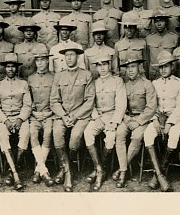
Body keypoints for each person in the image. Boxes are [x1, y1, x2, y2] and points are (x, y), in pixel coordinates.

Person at [49, 45, 95, 192]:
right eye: (66, 55)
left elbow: (89, 100)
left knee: (75, 136)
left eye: (72, 55)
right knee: (56, 134)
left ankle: (66, 169)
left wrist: (75, 116)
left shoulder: (86, 75)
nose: (69, 58)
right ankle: (68, 172)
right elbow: (54, 100)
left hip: (80, 116)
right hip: (62, 115)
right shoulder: (59, 76)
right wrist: (63, 116)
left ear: (78, 57)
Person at [83, 53, 128, 190]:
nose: (102, 68)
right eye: (99, 65)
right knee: (87, 133)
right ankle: (99, 168)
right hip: (98, 116)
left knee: (110, 138)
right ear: (96, 67)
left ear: (109, 65)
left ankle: (100, 171)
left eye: (105, 64)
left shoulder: (117, 81)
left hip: (112, 116)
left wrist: (114, 121)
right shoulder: (94, 82)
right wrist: (96, 117)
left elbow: (121, 103)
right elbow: (90, 102)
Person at [0, 53, 32, 190]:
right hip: (4, 118)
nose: (11, 70)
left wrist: (20, 119)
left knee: (25, 134)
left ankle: (11, 171)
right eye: (8, 67)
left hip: (20, 117)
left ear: (17, 68)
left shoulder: (23, 84)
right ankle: (15, 173)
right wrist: (5, 121)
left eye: (13, 67)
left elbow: (27, 105)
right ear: (4, 68)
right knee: (2, 136)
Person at [144, 51, 180, 191]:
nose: (163, 70)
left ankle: (157, 175)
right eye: (161, 67)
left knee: (173, 137)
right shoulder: (153, 84)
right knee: (148, 135)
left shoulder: (179, 84)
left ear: (172, 67)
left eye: (166, 66)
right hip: (157, 118)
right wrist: (155, 119)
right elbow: (150, 105)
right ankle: (161, 175)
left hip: (174, 118)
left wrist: (170, 122)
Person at [114, 54, 157, 189]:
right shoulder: (124, 85)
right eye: (128, 68)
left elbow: (151, 108)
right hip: (127, 118)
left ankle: (122, 171)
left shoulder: (147, 84)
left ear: (139, 67)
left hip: (142, 120)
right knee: (119, 134)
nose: (130, 70)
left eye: (133, 67)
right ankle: (124, 169)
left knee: (137, 137)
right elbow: (121, 105)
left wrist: (138, 121)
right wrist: (126, 119)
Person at [26, 45, 57, 185]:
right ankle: (44, 170)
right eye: (37, 60)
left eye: (43, 60)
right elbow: (28, 100)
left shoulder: (54, 78)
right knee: (32, 133)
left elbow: (57, 99)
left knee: (48, 133)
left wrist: (49, 113)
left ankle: (39, 170)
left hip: (50, 114)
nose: (40, 63)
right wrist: (33, 112)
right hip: (35, 115)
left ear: (47, 61)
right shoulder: (30, 79)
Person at [145, 9, 180, 80]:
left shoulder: (174, 37)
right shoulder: (149, 38)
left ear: (166, 22)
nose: (159, 24)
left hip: (169, 75)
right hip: (153, 75)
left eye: (161, 21)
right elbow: (147, 60)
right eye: (156, 21)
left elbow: (176, 59)